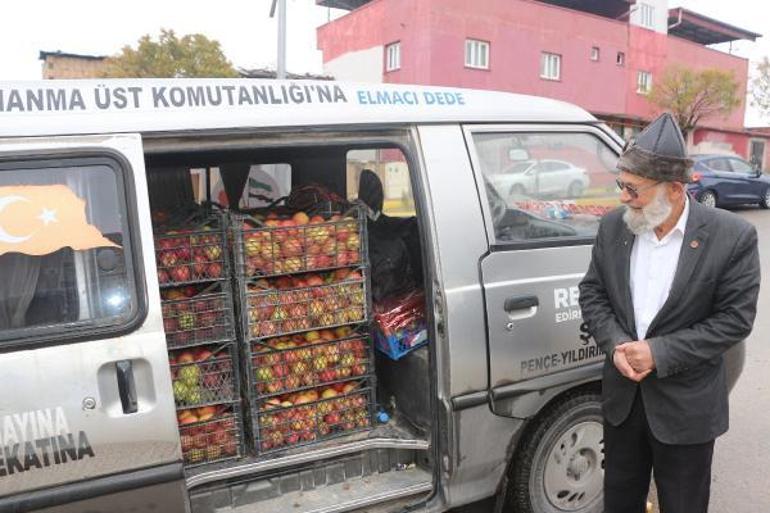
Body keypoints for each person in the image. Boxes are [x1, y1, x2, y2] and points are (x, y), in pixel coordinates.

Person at [579, 113, 760, 513]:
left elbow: (734, 320)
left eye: (633, 189)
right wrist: (617, 345)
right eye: (621, 185)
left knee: (683, 504)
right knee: (621, 501)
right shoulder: (614, 227)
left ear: (675, 190)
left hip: (687, 407)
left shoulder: (732, 237)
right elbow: (592, 292)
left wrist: (659, 353)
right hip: (623, 401)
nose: (623, 198)